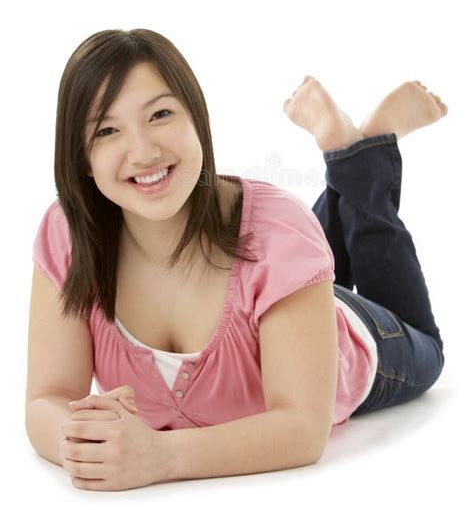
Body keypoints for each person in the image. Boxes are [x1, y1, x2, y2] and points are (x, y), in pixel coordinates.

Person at [27, 28, 448, 488]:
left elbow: (302, 430)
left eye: (161, 114)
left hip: (355, 340)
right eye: (107, 130)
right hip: (282, 279)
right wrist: (82, 441)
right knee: (286, 246)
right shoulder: (69, 234)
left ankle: (364, 157)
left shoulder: (276, 235)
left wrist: (159, 457)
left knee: (427, 347)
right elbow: (47, 400)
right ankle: (349, 156)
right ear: (82, 158)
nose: (144, 151)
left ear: (197, 119)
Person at [283, 75, 447, 415]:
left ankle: (356, 159)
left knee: (425, 345)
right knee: (307, 281)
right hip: (287, 294)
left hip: (328, 340)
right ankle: (354, 157)